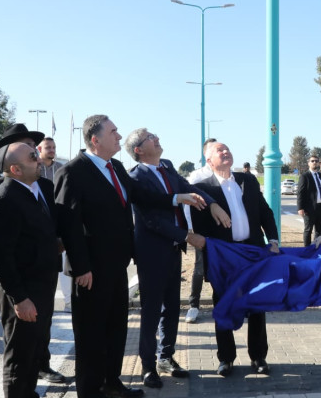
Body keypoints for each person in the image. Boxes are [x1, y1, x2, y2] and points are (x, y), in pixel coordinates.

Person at [55, 115, 200, 398]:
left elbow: (142, 196)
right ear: (95, 140)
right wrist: (80, 267)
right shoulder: (73, 172)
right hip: (91, 271)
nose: (119, 137)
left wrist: (176, 198)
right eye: (113, 132)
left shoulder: (117, 167)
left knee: (115, 330)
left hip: (117, 265)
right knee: (91, 335)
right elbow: (68, 225)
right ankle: (89, 391)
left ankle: (112, 383)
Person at [123, 129, 227, 388]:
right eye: (150, 137)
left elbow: (187, 187)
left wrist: (212, 203)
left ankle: (165, 357)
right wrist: (187, 236)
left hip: (172, 251)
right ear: (139, 150)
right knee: (150, 310)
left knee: (171, 307)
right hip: (152, 253)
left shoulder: (167, 167)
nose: (156, 138)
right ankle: (148, 367)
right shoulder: (135, 177)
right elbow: (150, 219)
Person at [189, 141, 279, 377]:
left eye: (227, 148)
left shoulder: (247, 181)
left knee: (257, 305)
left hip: (252, 253)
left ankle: (258, 356)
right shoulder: (201, 189)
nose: (226, 152)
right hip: (224, 259)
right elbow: (199, 229)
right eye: (219, 150)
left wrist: (273, 240)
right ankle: (226, 358)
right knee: (224, 306)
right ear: (209, 160)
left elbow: (265, 212)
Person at [0, 142, 61, 398]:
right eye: (32, 157)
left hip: (41, 286)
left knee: (34, 353)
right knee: (20, 357)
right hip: (24, 292)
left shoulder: (34, 191)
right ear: (15, 169)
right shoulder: (5, 200)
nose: (38, 159)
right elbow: (2, 257)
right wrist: (20, 298)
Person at [37, 137, 73, 315]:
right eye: (48, 147)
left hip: (59, 219)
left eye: (53, 147)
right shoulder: (34, 167)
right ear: (39, 149)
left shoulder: (61, 168)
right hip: (40, 221)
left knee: (64, 260)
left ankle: (68, 302)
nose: (51, 150)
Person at [185, 137, 218, 324]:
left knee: (220, 267)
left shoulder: (226, 176)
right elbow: (188, 206)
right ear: (207, 155)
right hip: (202, 231)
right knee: (200, 268)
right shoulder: (197, 177)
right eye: (214, 150)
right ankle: (193, 305)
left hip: (222, 231)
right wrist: (191, 231)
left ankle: (220, 304)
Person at [297, 154, 321, 246]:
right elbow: (300, 192)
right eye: (312, 161)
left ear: (319, 163)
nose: (314, 163)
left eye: (316, 161)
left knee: (319, 230)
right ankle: (307, 250)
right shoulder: (305, 176)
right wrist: (300, 208)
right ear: (308, 163)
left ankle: (316, 249)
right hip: (309, 208)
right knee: (308, 230)